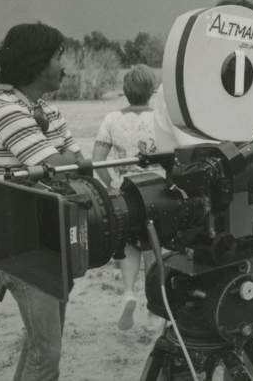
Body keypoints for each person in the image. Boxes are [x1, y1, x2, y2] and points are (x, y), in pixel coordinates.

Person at [154, 0, 253, 380]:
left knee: (235, 330)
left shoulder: (176, 88)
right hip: (212, 235)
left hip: (215, 234)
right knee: (210, 337)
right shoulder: (190, 91)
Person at [0, 22, 83, 381]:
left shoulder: (42, 109)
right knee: (46, 356)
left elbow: (75, 163)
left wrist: (64, 163)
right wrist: (64, 161)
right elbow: (60, 168)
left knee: (41, 346)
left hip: (48, 238)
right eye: (57, 57)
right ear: (37, 63)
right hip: (23, 245)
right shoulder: (6, 110)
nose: (63, 66)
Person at [92, 64, 164, 331]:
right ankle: (155, 306)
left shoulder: (112, 119)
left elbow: (98, 159)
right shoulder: (160, 119)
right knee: (154, 247)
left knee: (131, 244)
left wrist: (111, 183)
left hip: (125, 192)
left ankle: (128, 292)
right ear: (152, 90)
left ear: (125, 90)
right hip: (156, 190)